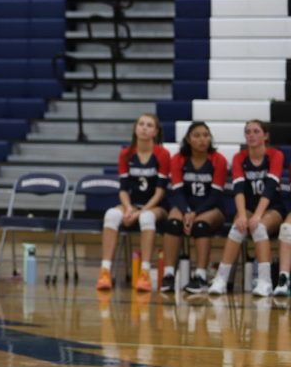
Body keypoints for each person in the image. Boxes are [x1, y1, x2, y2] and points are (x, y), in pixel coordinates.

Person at [96, 114, 171, 293]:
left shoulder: (162, 154)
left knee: (146, 217)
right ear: (135, 128)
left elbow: (160, 192)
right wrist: (129, 208)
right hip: (133, 203)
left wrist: (139, 212)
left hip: (156, 206)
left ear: (156, 131)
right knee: (111, 214)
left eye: (149, 125)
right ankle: (105, 271)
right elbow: (123, 189)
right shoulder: (126, 154)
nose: (144, 128)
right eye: (141, 124)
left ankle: (144, 273)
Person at [208, 120, 283, 297]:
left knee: (259, 227)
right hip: (248, 205)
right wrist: (242, 215)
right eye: (248, 132)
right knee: (237, 228)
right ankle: (220, 279)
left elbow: (271, 188)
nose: (251, 135)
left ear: (265, 135)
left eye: (256, 131)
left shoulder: (275, 155)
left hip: (272, 206)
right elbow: (239, 190)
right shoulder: (239, 158)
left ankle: (265, 282)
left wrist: (257, 216)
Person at [159, 122, 227, 294]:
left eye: (206, 135)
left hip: (212, 207)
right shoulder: (178, 159)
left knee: (200, 226)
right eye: (197, 135)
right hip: (185, 205)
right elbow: (177, 192)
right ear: (188, 140)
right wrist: (187, 211)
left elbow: (215, 195)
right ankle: (168, 275)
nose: (202, 139)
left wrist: (194, 214)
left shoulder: (218, 160)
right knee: (173, 223)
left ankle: (201, 276)